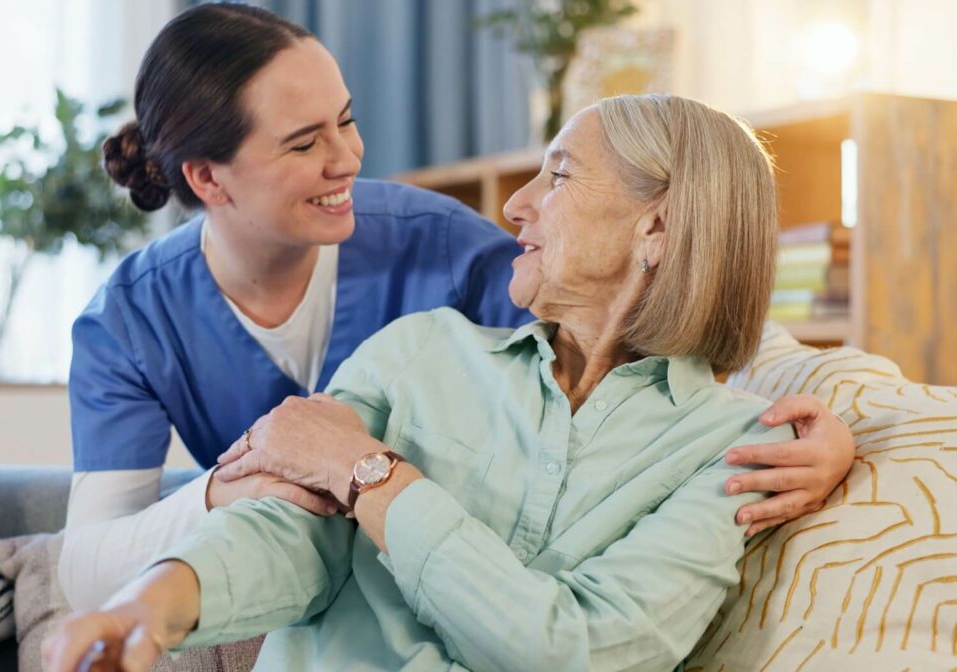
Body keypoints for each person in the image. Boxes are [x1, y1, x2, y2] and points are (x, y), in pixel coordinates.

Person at [60, 2, 855, 613]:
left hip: (435, 592)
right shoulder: (128, 322)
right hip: (279, 587)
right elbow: (86, 563)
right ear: (207, 178)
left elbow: (648, 316)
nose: (349, 158)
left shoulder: (434, 243)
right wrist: (215, 494)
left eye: (347, 120)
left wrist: (808, 417)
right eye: (304, 144)